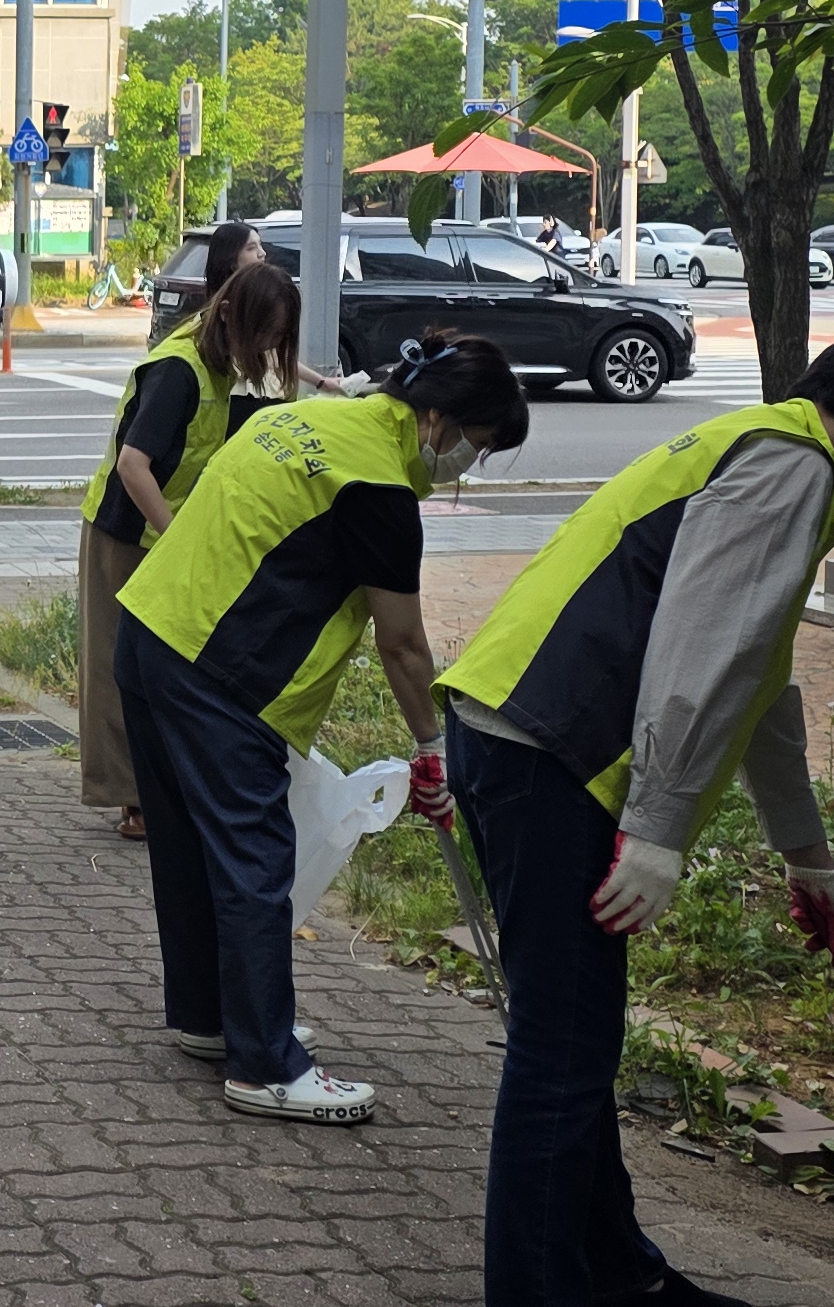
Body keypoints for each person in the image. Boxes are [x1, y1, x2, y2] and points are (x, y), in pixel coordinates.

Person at [438, 325, 834, 1307]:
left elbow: (752, 676)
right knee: (562, 1048)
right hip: (551, 754)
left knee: (576, 1036)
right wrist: (656, 829)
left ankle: (611, 1273)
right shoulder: (791, 468)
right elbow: (695, 653)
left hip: (532, 741)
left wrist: (807, 856)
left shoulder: (769, 450)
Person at [115, 332, 529, 1121]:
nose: (467, 463)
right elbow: (402, 643)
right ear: (437, 418)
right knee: (254, 856)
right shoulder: (375, 481)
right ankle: (267, 1064)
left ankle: (216, 1020)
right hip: (217, 666)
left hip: (151, 631)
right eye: (476, 444)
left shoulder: (305, 419)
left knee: (189, 847)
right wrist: (434, 748)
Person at [77, 252, 324, 841]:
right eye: (263, 334)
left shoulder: (216, 362)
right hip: (124, 529)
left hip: (159, 531)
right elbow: (135, 466)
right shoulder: (179, 371)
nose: (267, 348)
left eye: (278, 338)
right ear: (233, 315)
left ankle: (156, 788)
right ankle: (132, 800)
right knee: (115, 665)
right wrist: (174, 535)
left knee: (154, 666)